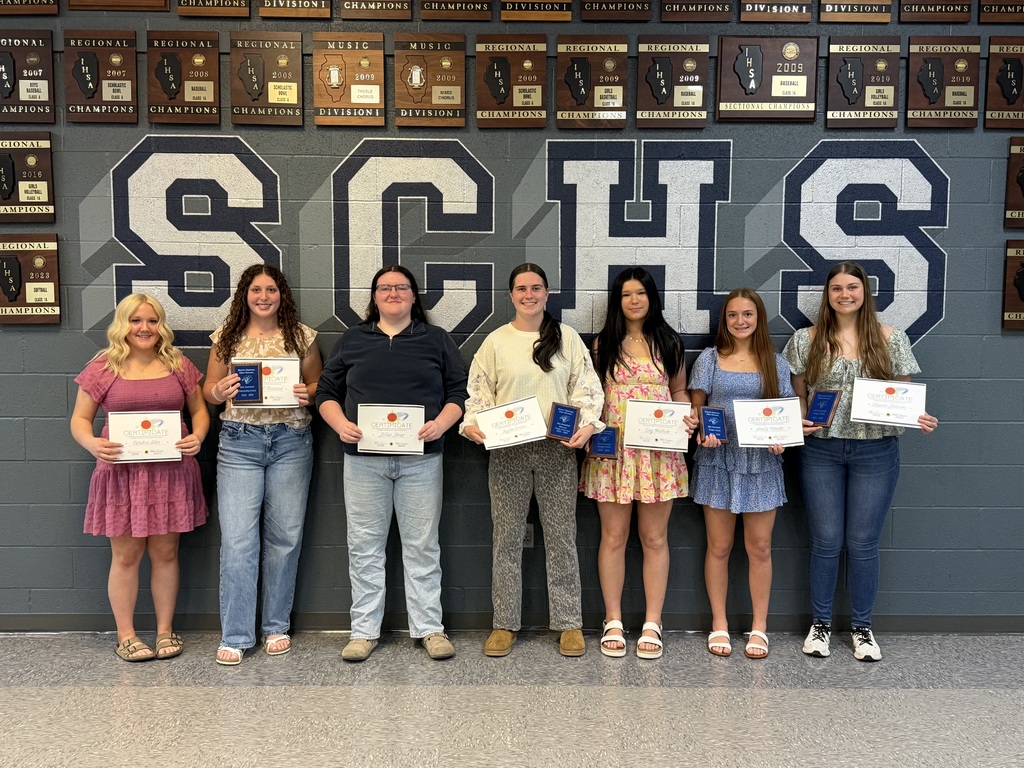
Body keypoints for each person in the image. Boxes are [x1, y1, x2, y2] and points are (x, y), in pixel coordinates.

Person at [784, 262, 939, 662]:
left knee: (863, 542)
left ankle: (862, 628)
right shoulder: (806, 340)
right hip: (821, 451)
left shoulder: (891, 338)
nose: (845, 294)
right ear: (827, 295)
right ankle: (820, 625)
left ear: (865, 293)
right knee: (826, 540)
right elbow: (797, 391)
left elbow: (902, 397)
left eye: (852, 287)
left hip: (876, 451)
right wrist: (800, 418)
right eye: (836, 288)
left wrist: (917, 417)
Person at [317, 265, 467, 662]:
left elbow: (458, 393)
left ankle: (430, 628)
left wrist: (441, 424)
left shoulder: (436, 339)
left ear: (414, 296)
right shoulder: (353, 339)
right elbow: (325, 393)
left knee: (422, 546)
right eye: (385, 288)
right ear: (375, 297)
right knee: (364, 547)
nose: (394, 293)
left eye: (402, 287)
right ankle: (364, 631)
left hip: (422, 461)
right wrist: (340, 424)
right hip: (364, 463)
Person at [462, 263, 605, 658]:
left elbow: (587, 391)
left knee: (561, 537)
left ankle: (569, 623)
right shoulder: (495, 342)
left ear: (547, 293)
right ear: (511, 295)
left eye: (536, 288)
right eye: (521, 288)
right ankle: (504, 623)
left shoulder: (568, 338)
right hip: (507, 451)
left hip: (557, 450)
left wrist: (587, 426)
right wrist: (473, 426)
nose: (529, 294)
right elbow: (477, 396)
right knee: (506, 539)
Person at [70, 293, 208, 662]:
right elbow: (80, 420)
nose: (144, 328)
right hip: (121, 476)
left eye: (151, 321)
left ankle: (165, 632)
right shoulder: (103, 366)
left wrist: (199, 436)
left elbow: (200, 412)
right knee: (127, 555)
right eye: (135, 321)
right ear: (123, 325)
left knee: (165, 553)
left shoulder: (177, 364)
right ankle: (127, 635)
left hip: (171, 473)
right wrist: (92, 444)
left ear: (161, 326)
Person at [204, 264, 322, 666]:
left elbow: (318, 385)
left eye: (271, 289)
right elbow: (210, 390)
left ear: (281, 295)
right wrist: (219, 391)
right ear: (245, 295)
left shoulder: (302, 336)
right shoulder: (227, 337)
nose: (264, 296)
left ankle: (275, 627)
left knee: (285, 539)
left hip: (291, 441)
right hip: (239, 443)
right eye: (256, 290)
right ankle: (236, 634)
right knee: (238, 541)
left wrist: (308, 393)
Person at [579, 267, 690, 660]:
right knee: (613, 537)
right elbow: (591, 398)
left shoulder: (669, 342)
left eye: (640, 292)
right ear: (617, 300)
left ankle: (652, 622)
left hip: (659, 452)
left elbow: (678, 391)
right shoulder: (601, 345)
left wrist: (686, 416)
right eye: (626, 294)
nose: (634, 300)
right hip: (613, 452)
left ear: (651, 297)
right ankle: (612, 619)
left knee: (655, 538)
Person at [688, 288, 794, 660]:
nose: (740, 321)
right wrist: (702, 431)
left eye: (747, 314)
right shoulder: (708, 359)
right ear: (725, 320)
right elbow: (696, 410)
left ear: (758, 318)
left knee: (760, 548)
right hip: (718, 463)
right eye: (733, 315)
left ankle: (759, 627)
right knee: (719, 547)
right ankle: (719, 624)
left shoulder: (776, 363)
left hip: (761, 466)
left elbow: (784, 414)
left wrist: (780, 438)